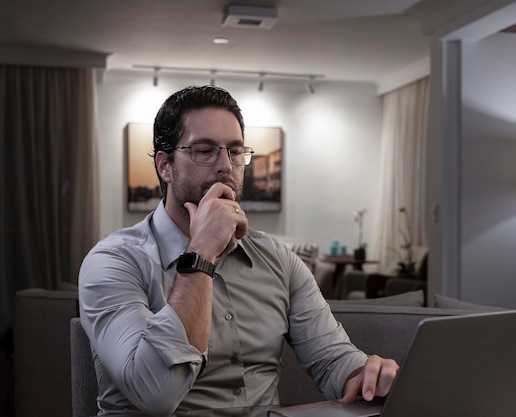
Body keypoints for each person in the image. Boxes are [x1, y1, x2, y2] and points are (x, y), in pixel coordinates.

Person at [79, 85, 399, 416]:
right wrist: (202, 251)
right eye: (204, 151)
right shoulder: (114, 261)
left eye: (234, 151)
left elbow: (332, 360)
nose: (226, 166)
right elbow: (156, 394)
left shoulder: (278, 260)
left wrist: (365, 376)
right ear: (165, 167)